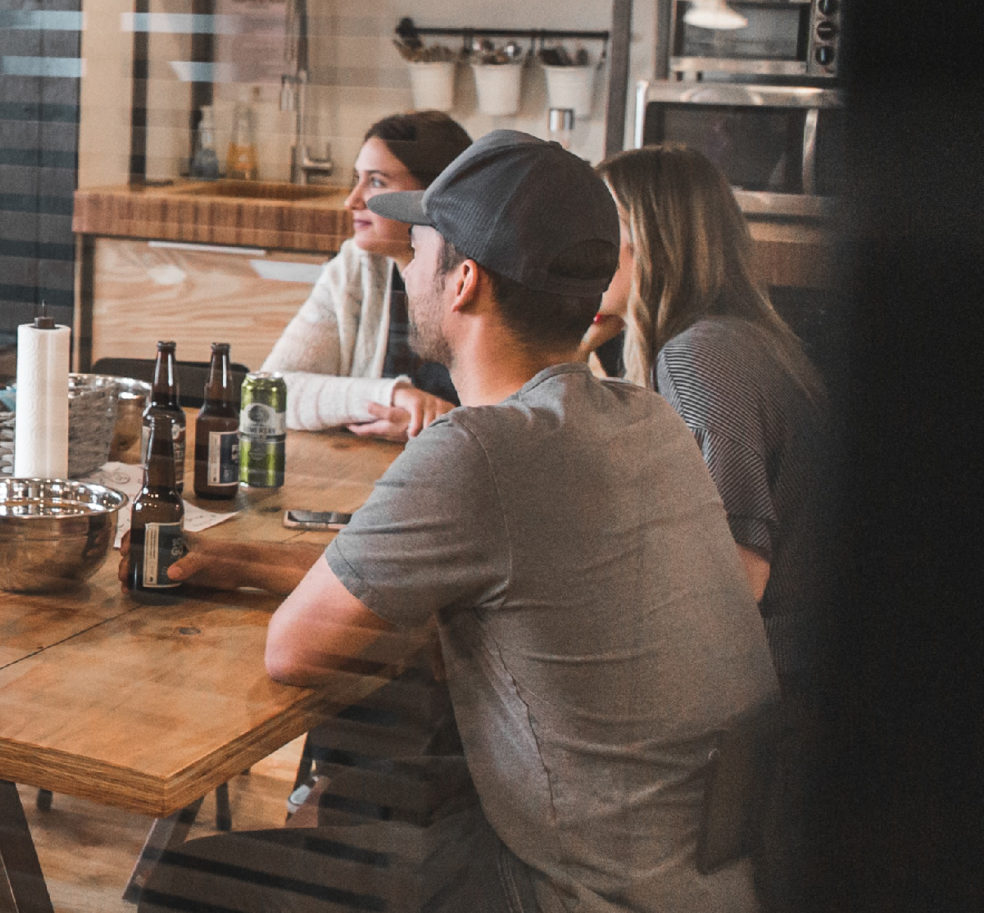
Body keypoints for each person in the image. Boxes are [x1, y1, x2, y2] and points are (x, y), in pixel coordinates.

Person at [147, 131, 778, 912]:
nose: (406, 265)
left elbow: (293, 647)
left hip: (574, 892)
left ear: (464, 281)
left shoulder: (481, 449)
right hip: (704, 879)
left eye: (419, 248)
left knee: (186, 882)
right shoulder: (643, 419)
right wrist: (236, 564)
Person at [598, 143, 826, 683]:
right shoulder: (734, 338)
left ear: (647, 239)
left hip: (774, 684)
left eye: (597, 226)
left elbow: (734, 580)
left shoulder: (700, 356)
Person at [262, 111, 471, 439]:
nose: (351, 200)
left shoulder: (483, 280)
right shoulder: (355, 267)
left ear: (434, 195)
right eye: (357, 179)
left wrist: (431, 426)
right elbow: (271, 391)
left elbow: (517, 423)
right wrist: (393, 396)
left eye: (376, 181)